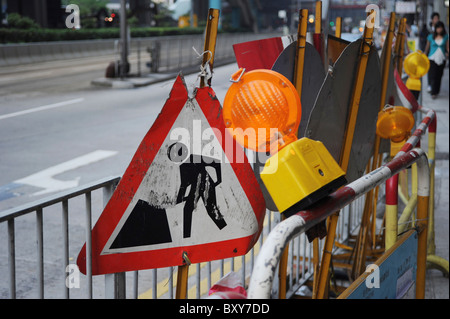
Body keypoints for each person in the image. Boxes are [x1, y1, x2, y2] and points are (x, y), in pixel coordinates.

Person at [424, 21, 449, 99]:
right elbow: (427, 48)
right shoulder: (431, 36)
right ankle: (433, 92)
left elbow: (447, 47)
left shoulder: (446, 37)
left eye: (440, 27)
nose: (439, 29)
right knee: (433, 75)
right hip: (432, 58)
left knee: (439, 75)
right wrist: (424, 55)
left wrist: (447, 53)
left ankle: (436, 91)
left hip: (442, 58)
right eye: (438, 28)